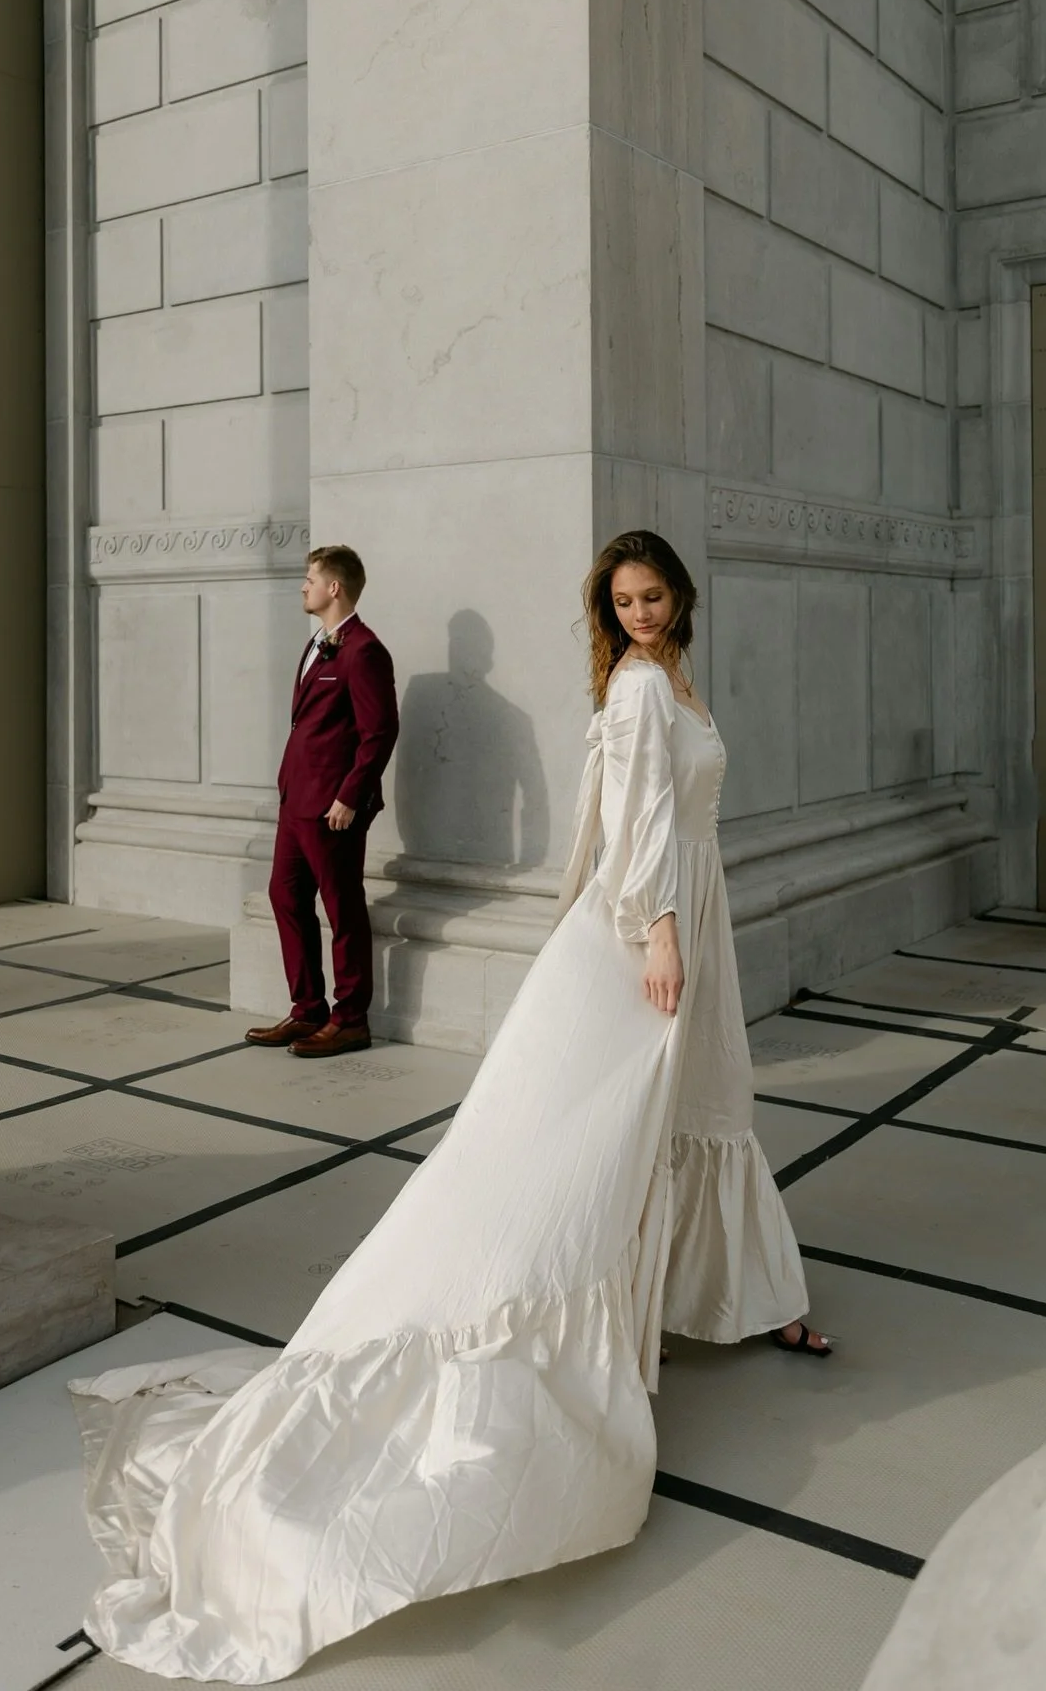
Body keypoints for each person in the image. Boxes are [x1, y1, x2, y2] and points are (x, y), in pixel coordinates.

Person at [71, 530, 830, 1685]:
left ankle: (754, 1294)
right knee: (578, 1148)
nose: (637, 612)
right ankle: (678, 1308)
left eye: (652, 595)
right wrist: (661, 936)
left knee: (708, 1108)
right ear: (609, 609)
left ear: (680, 598)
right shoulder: (636, 692)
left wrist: (683, 921)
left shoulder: (672, 680)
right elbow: (636, 831)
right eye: (620, 600)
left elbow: (671, 818)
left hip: (691, 913)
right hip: (655, 926)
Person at [245, 545, 399, 1060]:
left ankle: (351, 1018)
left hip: (333, 807)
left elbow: (379, 732)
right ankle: (307, 1008)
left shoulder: (364, 650)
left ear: (335, 587)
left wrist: (349, 797)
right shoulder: (318, 643)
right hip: (296, 800)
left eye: (310, 578)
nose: (303, 585)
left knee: (342, 908)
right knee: (285, 897)